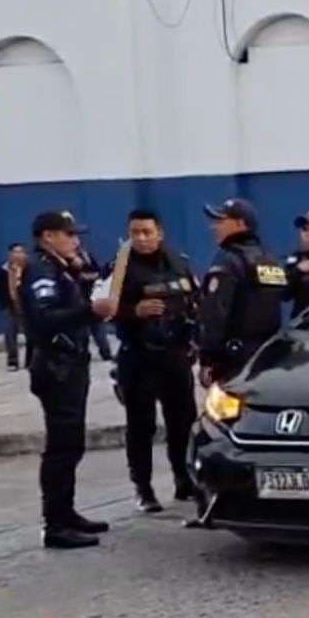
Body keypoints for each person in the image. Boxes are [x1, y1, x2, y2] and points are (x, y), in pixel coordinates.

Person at [19, 209, 117, 549]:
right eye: (69, 234)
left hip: (71, 364)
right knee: (61, 447)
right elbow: (45, 319)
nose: (76, 241)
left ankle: (67, 512)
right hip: (55, 367)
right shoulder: (40, 270)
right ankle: (55, 523)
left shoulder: (62, 268)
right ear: (48, 236)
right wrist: (90, 311)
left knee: (72, 444)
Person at [112, 209, 201, 514]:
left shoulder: (179, 262)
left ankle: (184, 480)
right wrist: (133, 311)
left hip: (175, 354)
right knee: (141, 426)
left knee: (183, 422)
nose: (141, 238)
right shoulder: (120, 268)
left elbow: (195, 301)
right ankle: (144, 488)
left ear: (159, 233)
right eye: (135, 232)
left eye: (146, 232)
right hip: (139, 355)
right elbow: (102, 308)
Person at [197, 197, 287, 387]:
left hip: (233, 359)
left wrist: (208, 358)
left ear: (239, 224)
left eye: (221, 221)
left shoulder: (228, 260)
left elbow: (215, 313)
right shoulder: (270, 259)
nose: (214, 227)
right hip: (266, 355)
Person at [73, 243, 116, 363]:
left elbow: (98, 271)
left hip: (91, 296)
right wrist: (90, 276)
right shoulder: (69, 259)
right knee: (82, 331)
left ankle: (106, 353)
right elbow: (78, 276)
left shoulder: (87, 255)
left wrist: (97, 276)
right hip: (79, 298)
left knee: (98, 328)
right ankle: (82, 353)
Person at [0, 243, 30, 370]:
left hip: (27, 306)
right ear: (10, 254)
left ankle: (30, 360)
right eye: (15, 252)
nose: (18, 255)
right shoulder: (3, 270)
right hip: (9, 306)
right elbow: (0, 290)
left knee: (31, 334)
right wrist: (5, 306)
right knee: (10, 333)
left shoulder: (29, 268)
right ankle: (12, 361)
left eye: (21, 252)